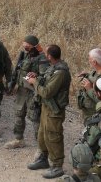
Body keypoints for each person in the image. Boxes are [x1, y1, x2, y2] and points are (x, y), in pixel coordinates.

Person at [26, 43, 71, 179]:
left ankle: (57, 166)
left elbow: (46, 92)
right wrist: (37, 77)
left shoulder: (61, 72)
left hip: (54, 110)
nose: (45, 55)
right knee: (42, 135)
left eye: (46, 53)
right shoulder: (54, 67)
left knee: (53, 137)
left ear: (50, 56)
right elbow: (46, 80)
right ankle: (43, 159)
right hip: (47, 108)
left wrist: (34, 83)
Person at [5, 34, 49, 149]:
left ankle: (41, 148)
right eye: (24, 47)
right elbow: (17, 71)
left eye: (28, 47)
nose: (25, 49)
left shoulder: (42, 58)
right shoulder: (24, 55)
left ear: (34, 46)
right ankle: (19, 139)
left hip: (33, 93)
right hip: (21, 91)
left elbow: (45, 77)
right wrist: (11, 85)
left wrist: (36, 76)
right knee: (18, 115)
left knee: (35, 118)